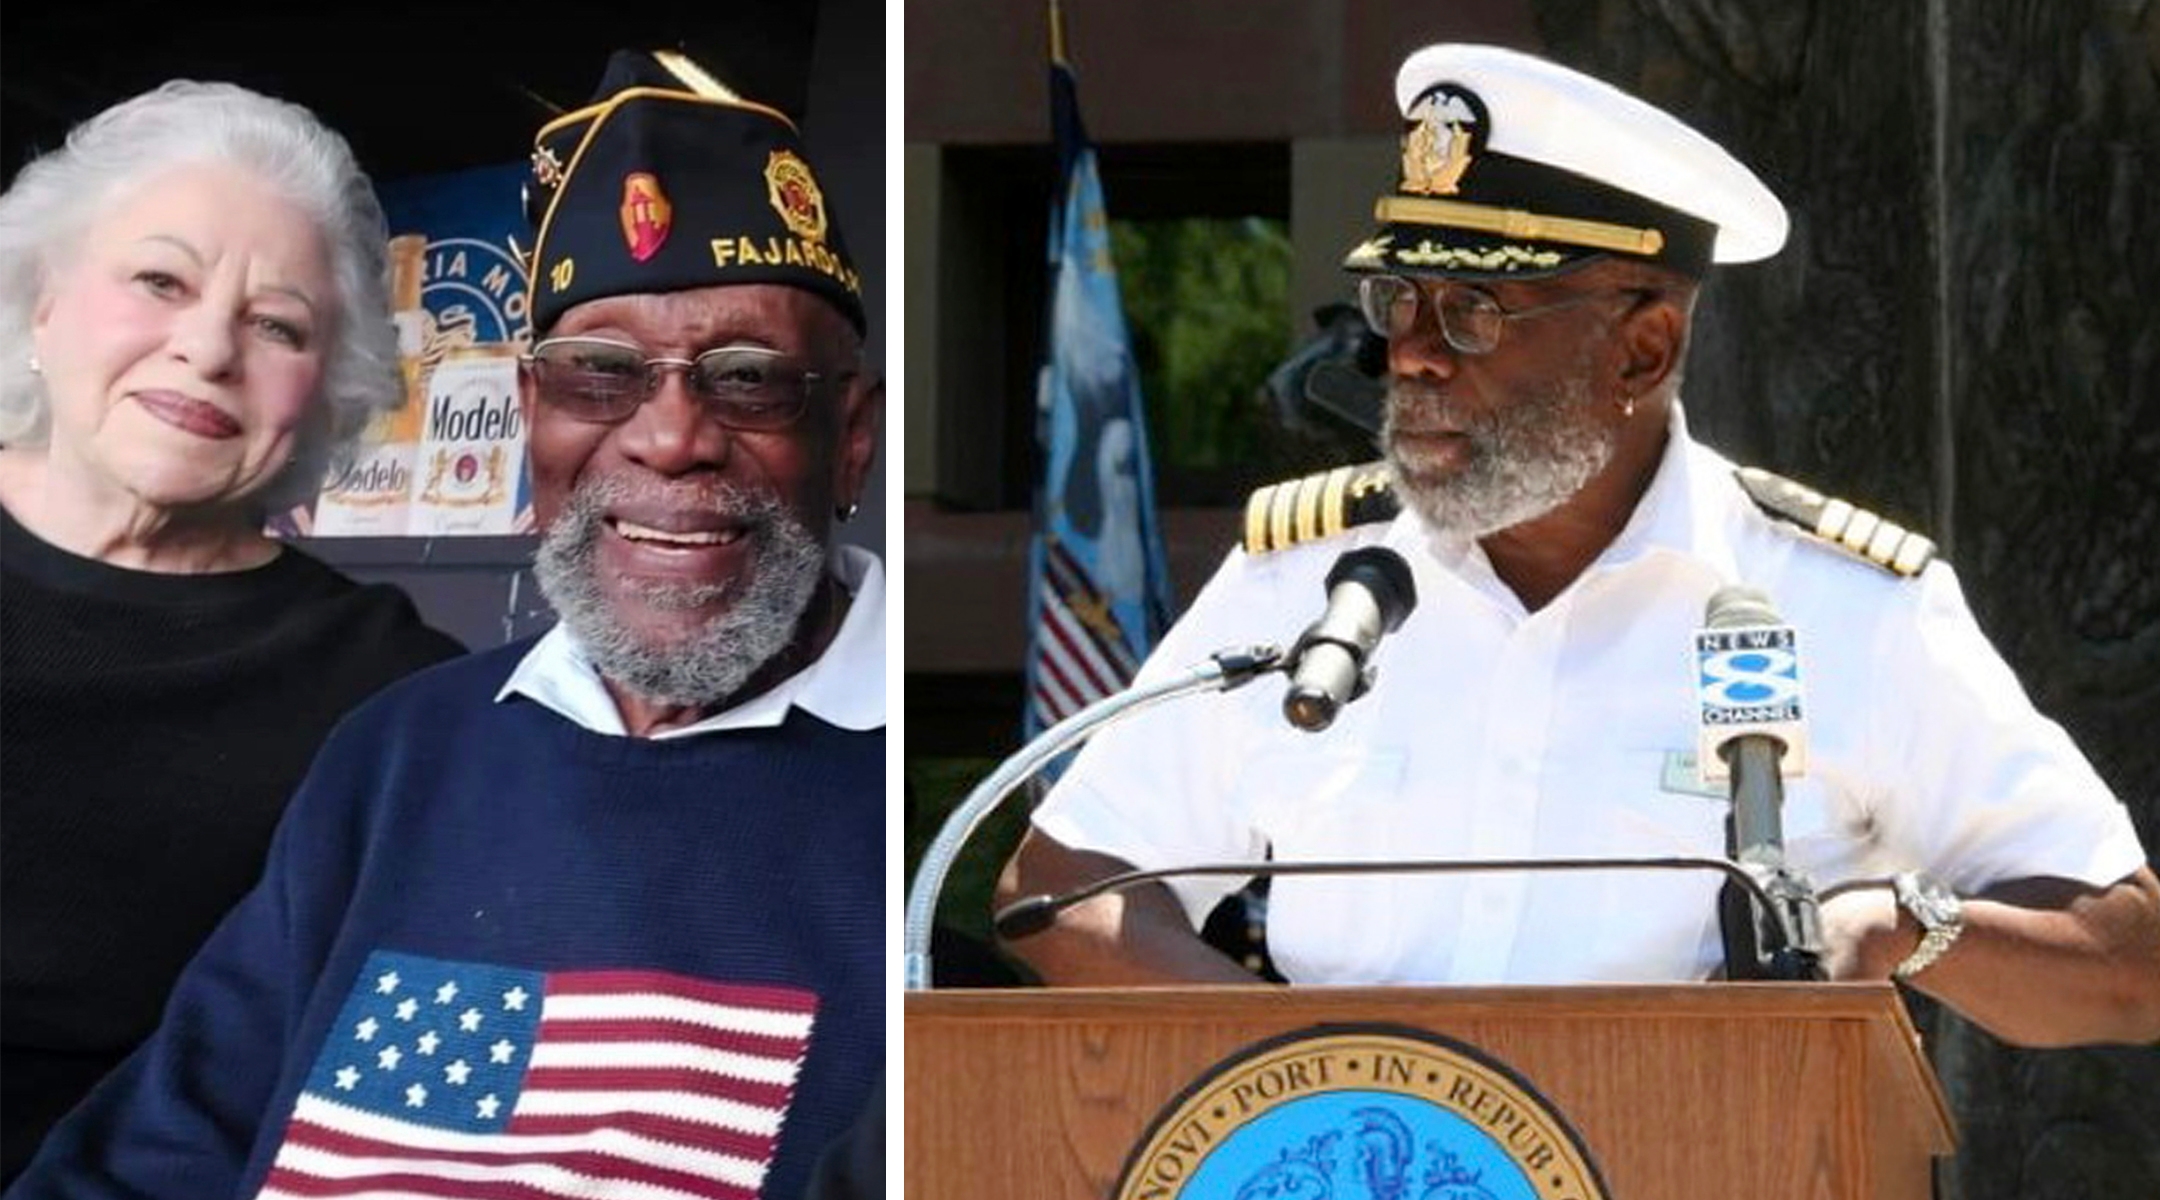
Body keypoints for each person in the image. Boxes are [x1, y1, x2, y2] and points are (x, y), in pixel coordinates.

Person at [998, 42, 2160, 1049]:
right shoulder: (1303, 588)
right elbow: (1061, 894)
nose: (1412, 356)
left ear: (1643, 350)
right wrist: (1316, 1074)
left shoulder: (1844, 604)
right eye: (1399, 302)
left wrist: (1904, 923)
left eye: (1473, 313)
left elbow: (2127, 959)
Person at [7, 47, 883, 1200]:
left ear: (854, 437)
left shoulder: (915, 819)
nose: (672, 437)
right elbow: (157, 1151)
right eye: (598, 374)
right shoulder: (404, 747)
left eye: (749, 379)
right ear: (530, 416)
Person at [0, 81, 466, 1181]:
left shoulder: (388, 699)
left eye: (278, 325)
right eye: (160, 279)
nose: (209, 350)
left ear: (328, 390)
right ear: (42, 305)